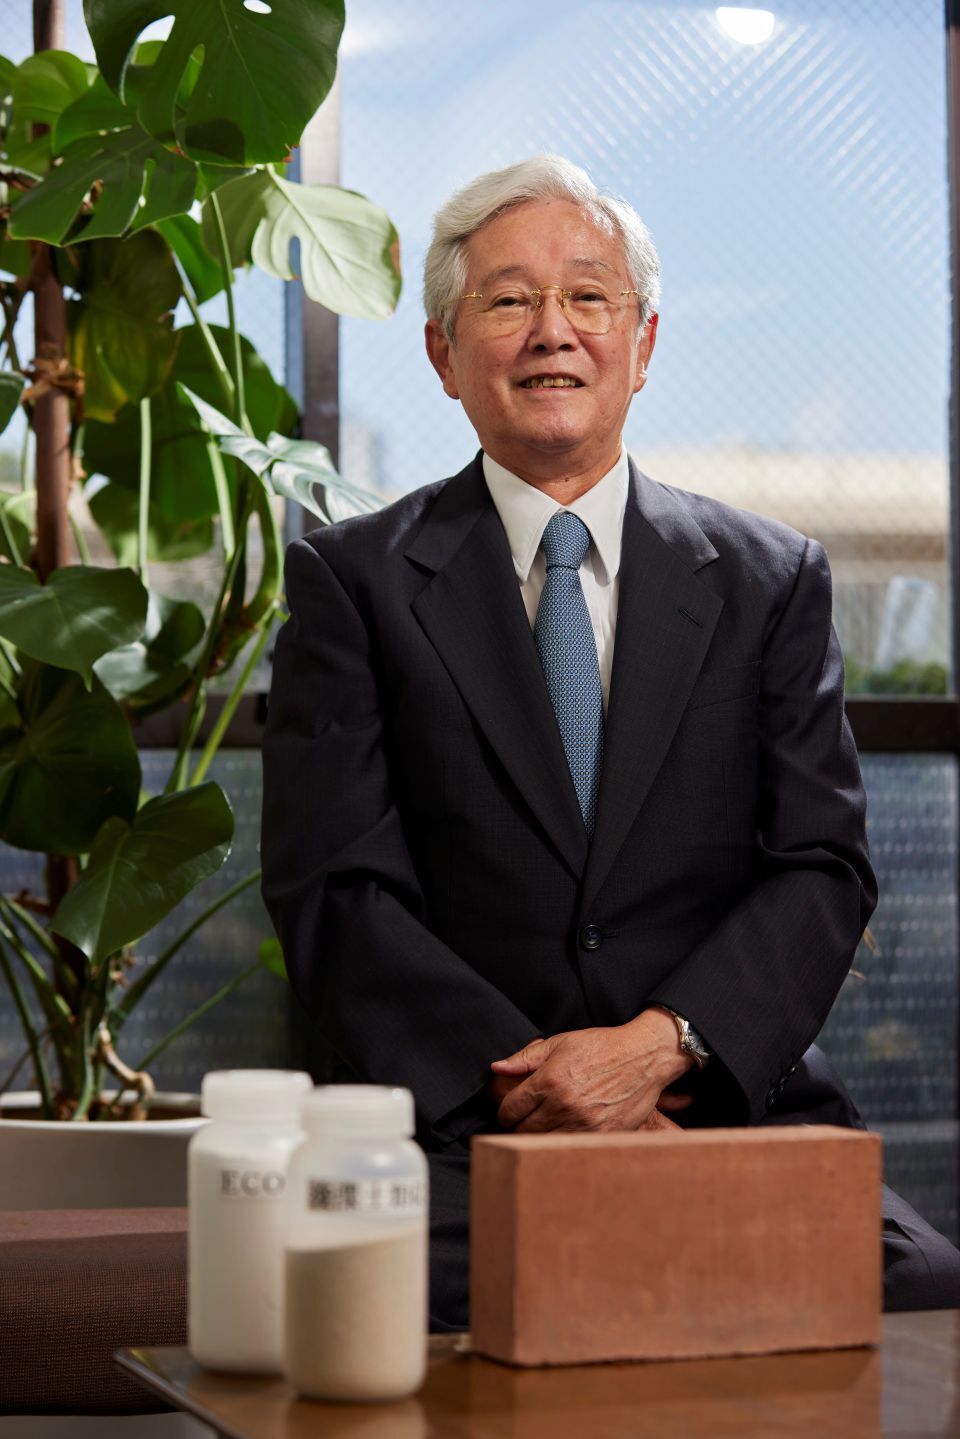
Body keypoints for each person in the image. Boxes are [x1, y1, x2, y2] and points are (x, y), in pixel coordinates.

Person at [261, 154, 960, 1327]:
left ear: (643, 343)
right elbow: (338, 893)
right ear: (442, 353)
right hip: (461, 1135)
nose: (553, 333)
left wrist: (658, 1048)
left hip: (720, 1105)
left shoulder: (770, 579)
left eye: (588, 297)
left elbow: (821, 868)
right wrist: (548, 1089)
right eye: (507, 300)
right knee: (385, 1292)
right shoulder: (353, 582)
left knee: (918, 1283)